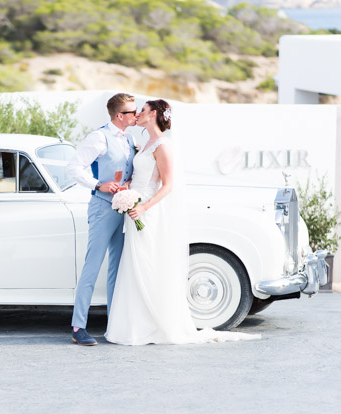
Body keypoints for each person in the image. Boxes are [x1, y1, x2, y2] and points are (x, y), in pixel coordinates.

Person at [104, 99, 261, 345]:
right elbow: (141, 176)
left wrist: (143, 206)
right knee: (134, 267)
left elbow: (168, 185)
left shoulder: (163, 146)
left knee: (147, 265)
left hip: (148, 211)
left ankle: (155, 325)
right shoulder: (145, 144)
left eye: (142, 110)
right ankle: (135, 326)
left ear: (153, 114)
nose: (137, 114)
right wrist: (127, 192)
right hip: (135, 207)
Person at [66, 93, 138, 346]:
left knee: (117, 268)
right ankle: (78, 326)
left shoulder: (129, 138)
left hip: (123, 208)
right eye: (132, 111)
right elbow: (74, 167)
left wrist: (128, 184)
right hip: (102, 208)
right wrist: (98, 184)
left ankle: (114, 323)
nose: (136, 114)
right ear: (120, 116)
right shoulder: (98, 137)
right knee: (92, 266)